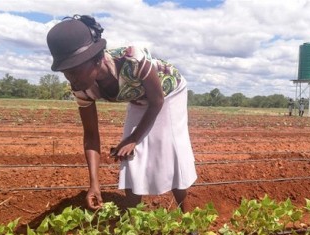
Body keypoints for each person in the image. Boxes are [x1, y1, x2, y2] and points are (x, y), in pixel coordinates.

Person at [46, 15, 197, 211]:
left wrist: (134, 137)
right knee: (130, 155)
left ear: (97, 59)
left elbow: (157, 100)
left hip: (168, 92)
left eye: (75, 70)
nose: (70, 79)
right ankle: (132, 219)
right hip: (138, 98)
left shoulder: (133, 59)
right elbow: (91, 136)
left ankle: (186, 215)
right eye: (66, 72)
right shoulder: (81, 88)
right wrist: (94, 184)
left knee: (169, 147)